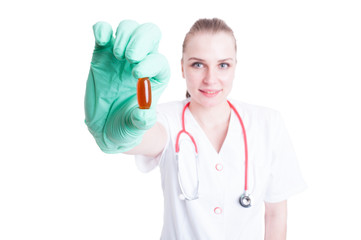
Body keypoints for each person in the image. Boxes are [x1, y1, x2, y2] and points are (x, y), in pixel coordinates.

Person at [84, 18, 306, 240]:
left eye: (223, 65)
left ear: (235, 67)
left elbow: (275, 214)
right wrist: (120, 132)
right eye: (198, 64)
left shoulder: (267, 123)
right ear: (182, 67)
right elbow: (144, 135)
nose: (211, 79)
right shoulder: (164, 119)